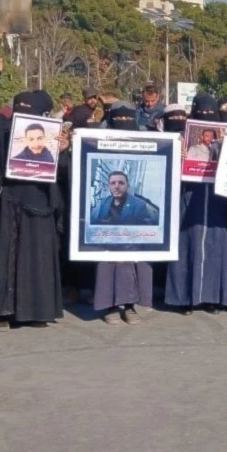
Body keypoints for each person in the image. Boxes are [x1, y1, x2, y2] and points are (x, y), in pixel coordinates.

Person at [0, 58, 66, 331]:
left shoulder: (50, 135)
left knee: (33, 259)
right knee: (4, 257)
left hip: (38, 204)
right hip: (6, 203)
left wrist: (64, 149)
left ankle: (33, 311)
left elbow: (63, 170)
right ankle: (1, 312)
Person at [90, 103, 156, 325]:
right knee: (107, 265)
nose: (117, 186)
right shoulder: (101, 204)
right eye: (113, 183)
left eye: (121, 183)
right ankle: (108, 307)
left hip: (131, 240)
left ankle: (129, 306)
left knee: (130, 264)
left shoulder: (138, 204)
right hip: (107, 241)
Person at [165, 96, 227, 314]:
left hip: (215, 201)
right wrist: (179, 155)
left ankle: (211, 298)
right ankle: (183, 299)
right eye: (201, 113)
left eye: (210, 114)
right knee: (186, 245)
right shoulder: (182, 139)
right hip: (189, 198)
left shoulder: (225, 140)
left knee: (214, 246)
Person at [90, 170, 157, 226]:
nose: (116, 187)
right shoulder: (104, 202)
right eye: (113, 183)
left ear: (128, 186)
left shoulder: (139, 205)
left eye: (121, 183)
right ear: (109, 187)